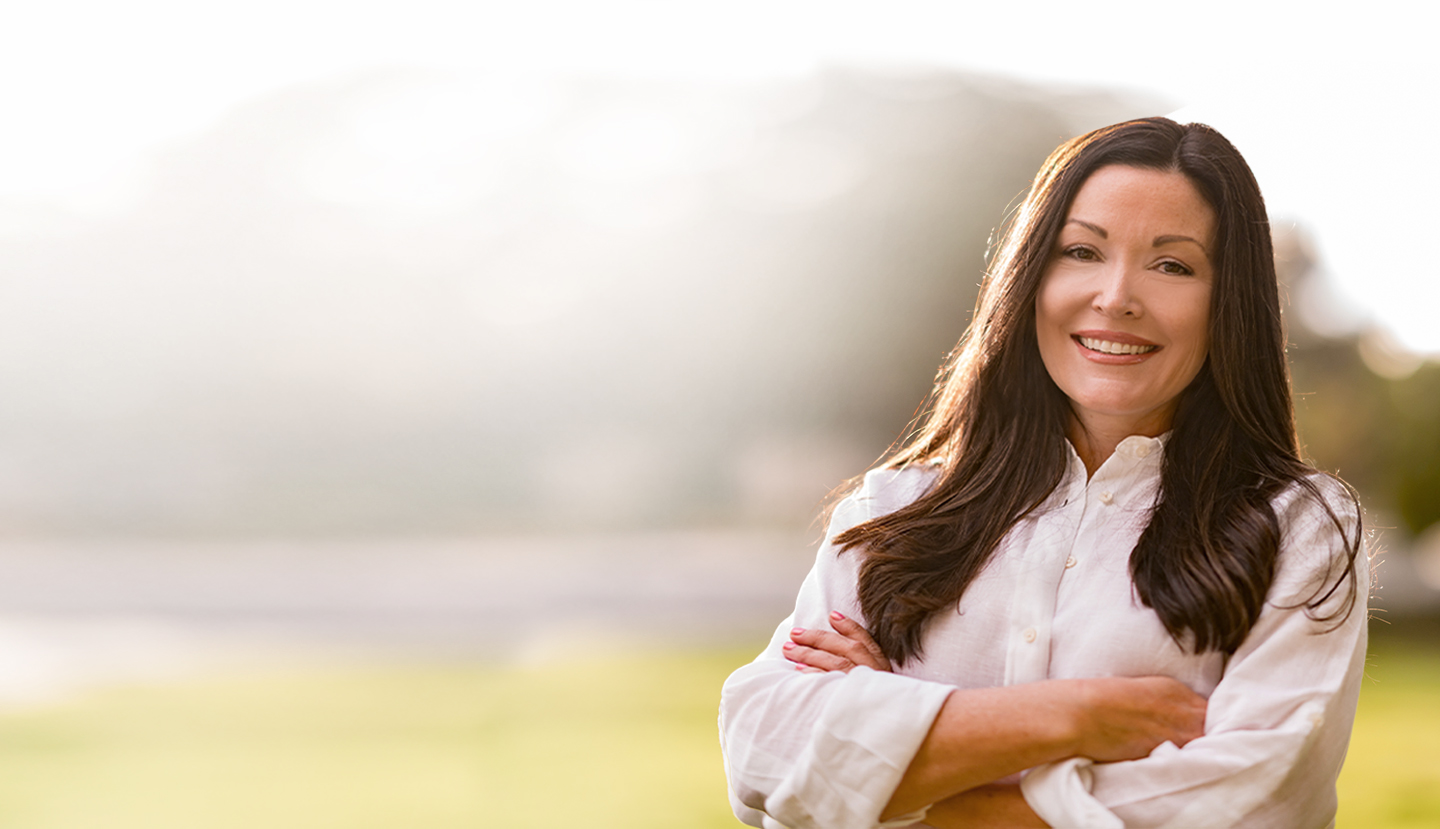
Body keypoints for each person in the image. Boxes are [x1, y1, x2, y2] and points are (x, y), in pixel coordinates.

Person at [718, 117, 1367, 829]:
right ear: (1029, 278)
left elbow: (1256, 799)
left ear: (1229, 304)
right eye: (1082, 251)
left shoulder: (1297, 528)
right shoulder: (894, 511)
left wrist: (886, 756)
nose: (1117, 295)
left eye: (1172, 264)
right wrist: (1081, 716)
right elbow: (761, 756)